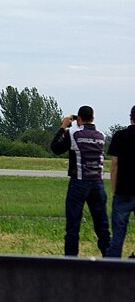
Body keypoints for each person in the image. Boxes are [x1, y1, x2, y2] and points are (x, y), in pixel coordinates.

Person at [50, 105, 110, 256]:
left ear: (79, 119)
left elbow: (55, 148)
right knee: (102, 225)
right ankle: (109, 257)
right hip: (98, 182)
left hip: (79, 182)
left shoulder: (73, 133)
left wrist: (63, 127)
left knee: (73, 225)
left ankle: (71, 260)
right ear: (93, 118)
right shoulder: (101, 135)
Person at [104, 105, 135, 258]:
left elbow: (114, 165)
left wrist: (114, 188)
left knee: (118, 234)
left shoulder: (119, 136)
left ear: (131, 117)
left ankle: (113, 267)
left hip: (123, 190)